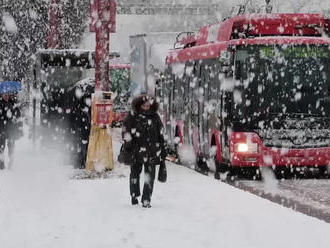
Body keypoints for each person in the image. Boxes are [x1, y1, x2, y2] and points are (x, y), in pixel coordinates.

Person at [122, 94, 167, 208]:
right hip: (136, 151)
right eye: (144, 104)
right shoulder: (132, 116)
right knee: (135, 174)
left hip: (152, 151)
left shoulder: (155, 117)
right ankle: (134, 195)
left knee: (150, 176)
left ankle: (146, 199)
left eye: (148, 104)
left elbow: (160, 133)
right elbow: (126, 131)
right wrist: (129, 144)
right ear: (139, 105)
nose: (147, 106)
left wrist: (162, 148)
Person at [0, 93, 22, 169]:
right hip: (1, 129)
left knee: (11, 147)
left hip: (11, 129)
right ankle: (1, 164)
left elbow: (18, 114)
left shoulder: (13, 103)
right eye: (4, 94)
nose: (6, 96)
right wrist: (4, 115)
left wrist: (13, 116)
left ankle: (11, 163)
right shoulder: (0, 104)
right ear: (1, 95)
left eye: (7, 95)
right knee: (1, 148)